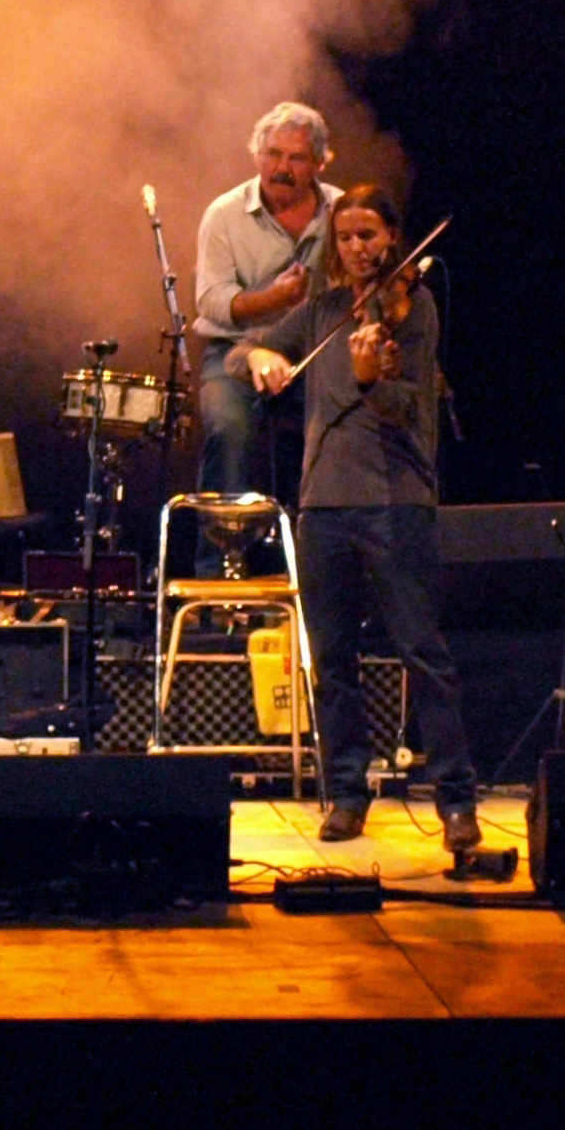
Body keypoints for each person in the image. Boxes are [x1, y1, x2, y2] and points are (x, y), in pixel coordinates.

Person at [231, 187, 479, 851]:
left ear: (393, 237)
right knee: (331, 660)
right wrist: (264, 358)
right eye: (345, 238)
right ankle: (345, 792)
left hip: (396, 502)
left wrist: (372, 378)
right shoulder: (326, 309)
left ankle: (456, 802)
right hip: (323, 505)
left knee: (422, 654)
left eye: (368, 235)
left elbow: (407, 408)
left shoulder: (414, 308)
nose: (357, 248)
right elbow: (242, 351)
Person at [192, 102, 343, 502]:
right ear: (257, 156)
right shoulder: (225, 214)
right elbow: (210, 301)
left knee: (348, 421)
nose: (282, 167)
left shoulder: (340, 210)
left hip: (312, 353)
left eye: (296, 158)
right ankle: (219, 558)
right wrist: (271, 299)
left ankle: (322, 545)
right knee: (229, 430)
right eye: (273, 154)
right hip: (234, 352)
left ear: (319, 164)